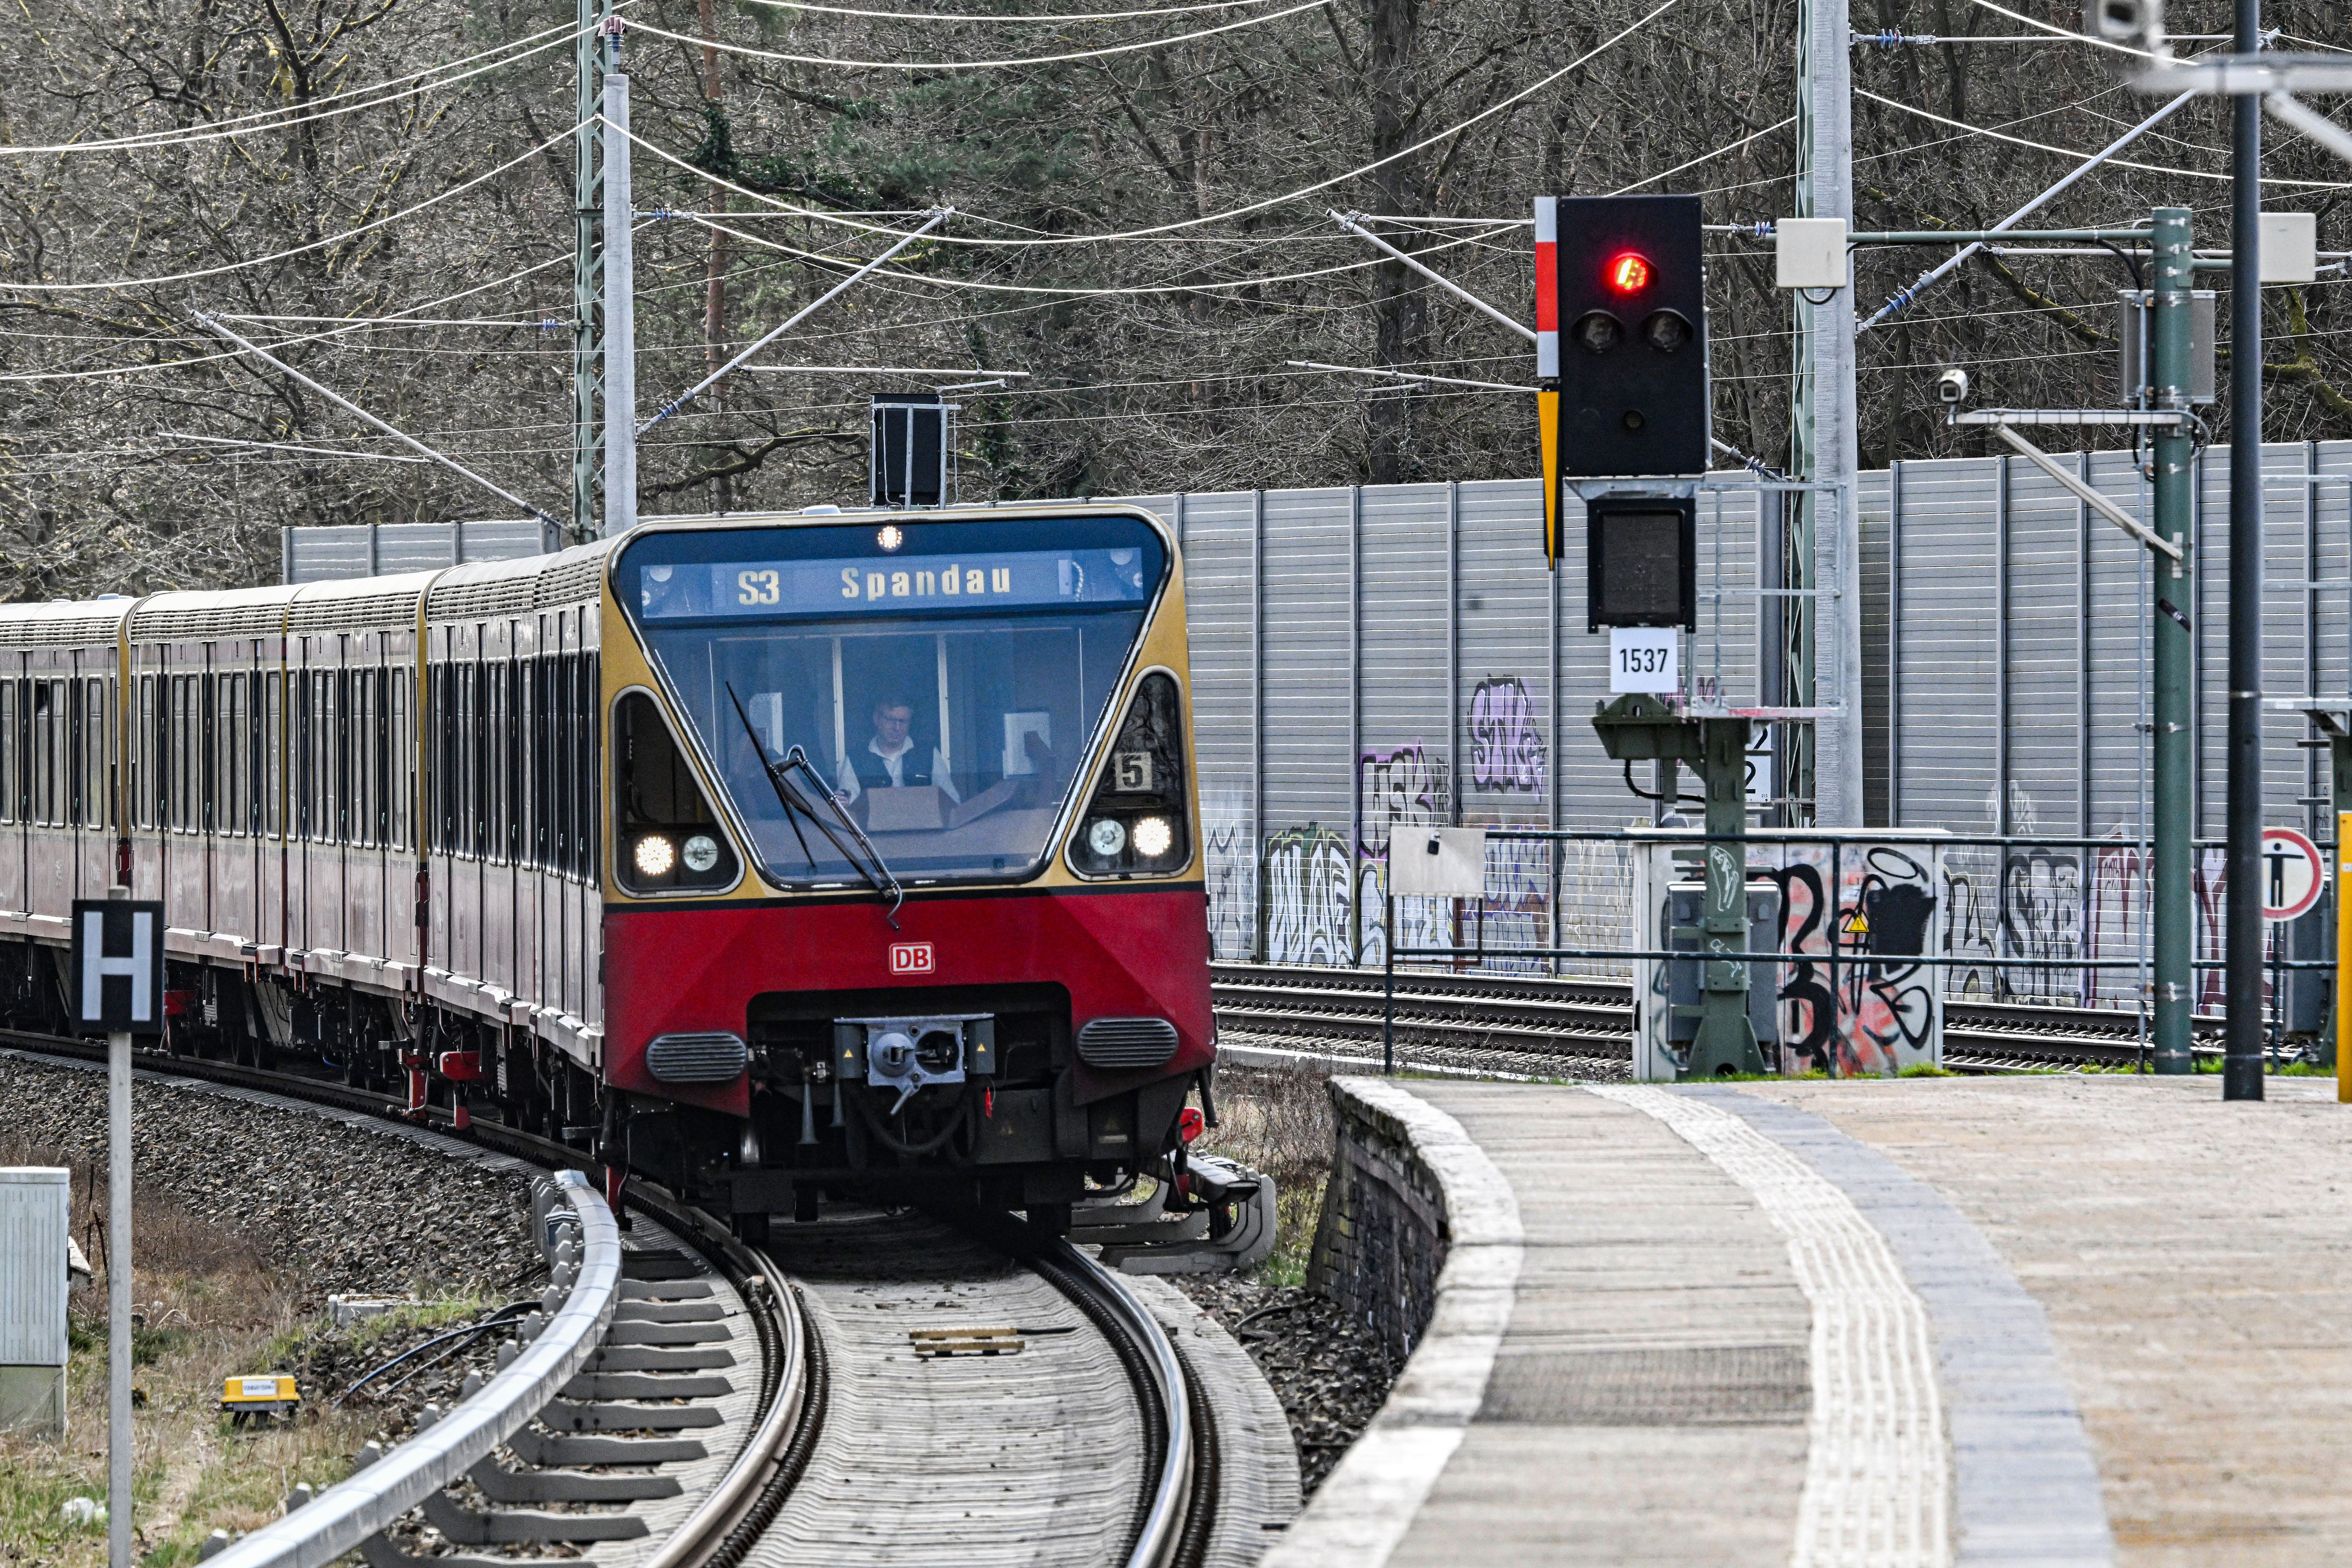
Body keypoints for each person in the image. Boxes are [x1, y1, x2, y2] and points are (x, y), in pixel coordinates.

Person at [835, 694, 959, 804]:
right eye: (891, 720)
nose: (897, 728)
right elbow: (848, 806)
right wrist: (846, 802)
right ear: (877, 719)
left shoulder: (929, 754)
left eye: (903, 721)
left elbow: (951, 800)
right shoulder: (857, 759)